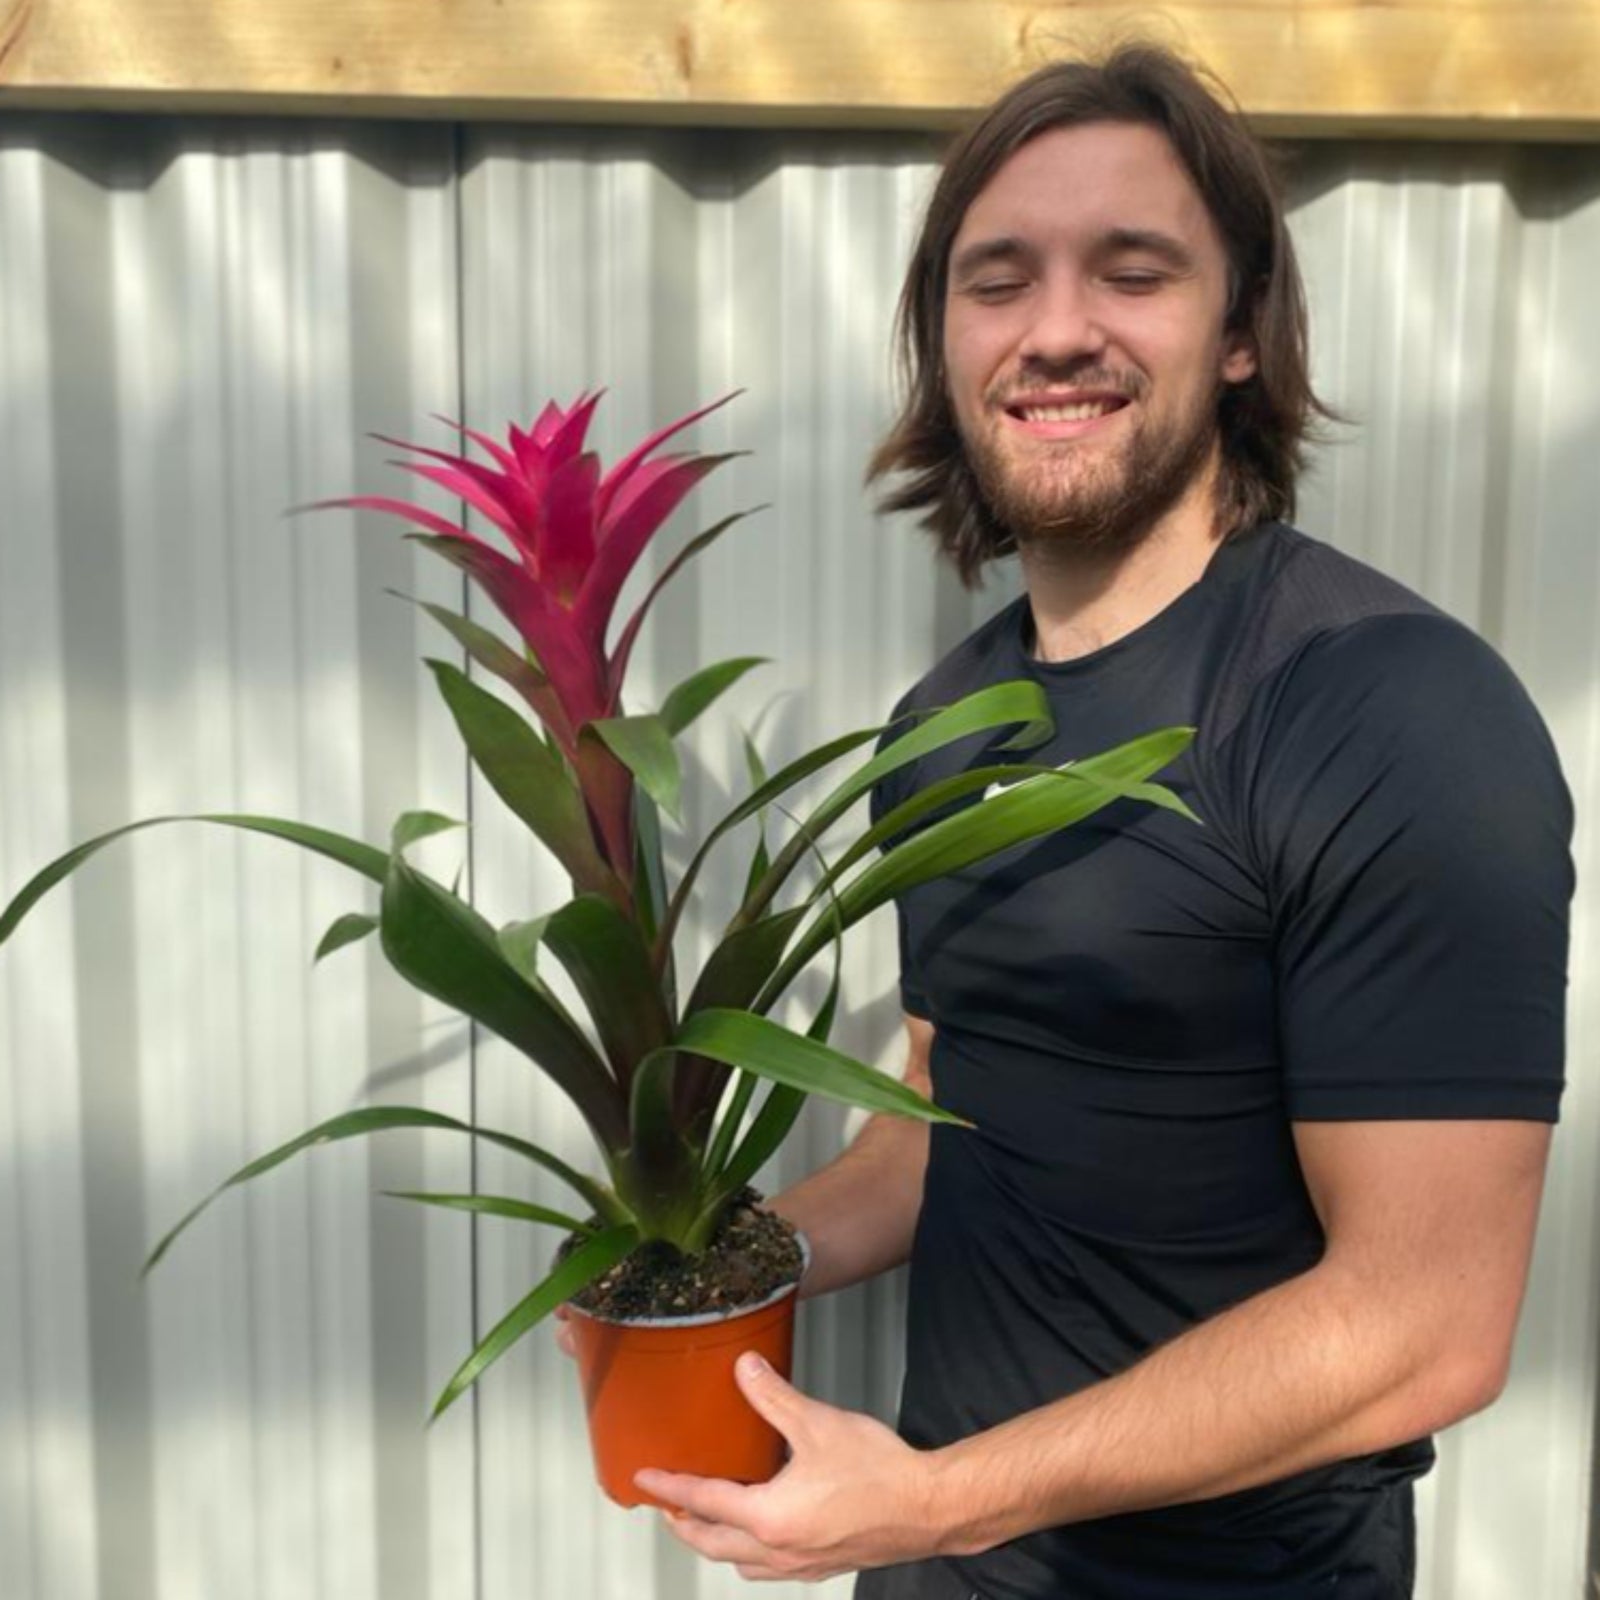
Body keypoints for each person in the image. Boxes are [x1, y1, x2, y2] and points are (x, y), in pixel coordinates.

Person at [615, 45, 1575, 1599]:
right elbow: (943, 1128)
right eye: (998, 281)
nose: (1057, 329)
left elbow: (1426, 1326)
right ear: (944, 342)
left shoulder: (1385, 710)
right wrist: (705, 1263)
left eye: (1131, 272)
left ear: (1244, 332)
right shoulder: (947, 726)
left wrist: (936, 1503)